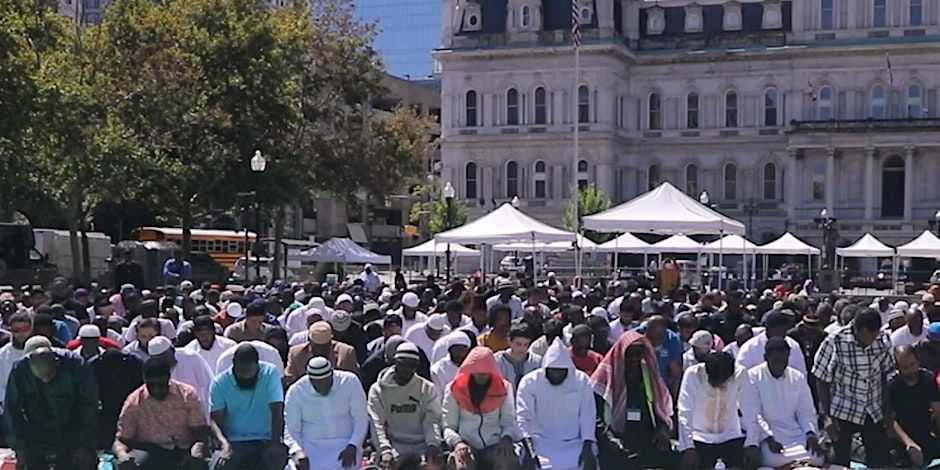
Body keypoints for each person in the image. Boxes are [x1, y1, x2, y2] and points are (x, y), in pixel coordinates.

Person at [812, 307, 894, 467]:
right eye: (867, 337)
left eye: (874, 336)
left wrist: (888, 410)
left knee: (879, 461)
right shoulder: (835, 341)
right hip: (843, 409)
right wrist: (826, 416)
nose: (871, 341)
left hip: (873, 409)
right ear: (857, 329)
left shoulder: (883, 340)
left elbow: (883, 376)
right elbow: (821, 379)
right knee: (839, 461)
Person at [591, 331, 677, 470]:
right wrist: (608, 438)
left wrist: (663, 428)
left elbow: (662, 406)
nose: (634, 359)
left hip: (646, 439)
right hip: (617, 442)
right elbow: (594, 414)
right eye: (630, 354)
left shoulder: (649, 374)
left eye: (638, 354)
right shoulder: (604, 376)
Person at [4, 344, 98, 470]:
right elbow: (11, 411)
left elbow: (89, 407)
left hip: (72, 430)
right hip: (36, 432)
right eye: (40, 378)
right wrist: (19, 447)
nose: (46, 381)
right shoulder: (20, 370)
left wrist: (84, 445)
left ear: (57, 363)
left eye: (50, 375)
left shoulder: (77, 366)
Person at [740, 338, 823, 469]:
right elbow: (753, 414)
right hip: (770, 434)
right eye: (776, 361)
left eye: (784, 360)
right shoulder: (752, 376)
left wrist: (810, 434)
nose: (780, 365)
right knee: (774, 460)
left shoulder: (797, 377)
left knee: (817, 458)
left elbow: (805, 411)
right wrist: (768, 437)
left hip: (796, 433)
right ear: (766, 357)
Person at [113, 359, 213, 470]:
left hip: (183, 449)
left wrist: (198, 447)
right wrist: (122, 454)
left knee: (198, 463)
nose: (156, 389)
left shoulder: (187, 395)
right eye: (151, 385)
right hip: (150, 451)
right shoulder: (134, 401)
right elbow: (122, 440)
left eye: (160, 384)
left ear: (168, 379)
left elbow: (200, 433)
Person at [516, 339, 596, 470]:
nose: (556, 374)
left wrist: (588, 446)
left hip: (575, 443)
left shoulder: (581, 381)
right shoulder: (530, 382)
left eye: (560, 371)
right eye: (553, 370)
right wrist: (529, 450)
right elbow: (523, 417)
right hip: (539, 443)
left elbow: (588, 415)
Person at [208, 344, 288, 470]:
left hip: (265, 439)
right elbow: (215, 420)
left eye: (249, 372)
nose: (245, 376)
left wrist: (274, 443)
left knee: (277, 458)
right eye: (241, 372)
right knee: (219, 464)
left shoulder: (270, 373)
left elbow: (277, 410)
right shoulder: (219, 383)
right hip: (234, 442)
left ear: (257, 365)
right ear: (234, 364)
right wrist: (224, 444)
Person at [367, 342, 443, 469]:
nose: (406, 369)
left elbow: (432, 420)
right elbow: (376, 423)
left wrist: (432, 444)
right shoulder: (378, 389)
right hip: (394, 445)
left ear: (417, 366)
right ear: (395, 362)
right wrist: (385, 450)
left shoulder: (427, 388)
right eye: (403, 364)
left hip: (422, 444)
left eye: (411, 365)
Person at [442, 346, 519, 470]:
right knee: (461, 466)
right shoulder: (453, 389)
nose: (482, 374)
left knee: (509, 462)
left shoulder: (504, 388)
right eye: (478, 370)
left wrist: (506, 438)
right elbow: (448, 426)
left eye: (486, 370)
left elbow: (509, 422)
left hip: (495, 444)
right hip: (466, 444)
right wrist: (457, 443)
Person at [284, 357, 369, 470]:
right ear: (310, 379)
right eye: (317, 383)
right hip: (310, 447)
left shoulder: (350, 381)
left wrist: (354, 444)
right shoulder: (296, 391)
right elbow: (291, 428)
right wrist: (297, 451)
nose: (323, 387)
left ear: (332, 374)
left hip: (346, 446)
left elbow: (361, 418)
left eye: (326, 381)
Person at [677, 352, 746, 470]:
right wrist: (688, 447)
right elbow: (684, 412)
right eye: (715, 379)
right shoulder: (694, 374)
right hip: (699, 437)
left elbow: (750, 408)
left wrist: (752, 443)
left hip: (731, 436)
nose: (719, 383)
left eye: (723, 380)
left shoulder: (740, 374)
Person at [889, 345, 940, 467]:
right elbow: (890, 420)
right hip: (901, 440)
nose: (910, 370)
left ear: (918, 361)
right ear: (898, 368)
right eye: (905, 367)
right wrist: (908, 443)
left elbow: (938, 412)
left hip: (924, 434)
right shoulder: (891, 385)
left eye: (913, 365)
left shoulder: (927, 379)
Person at [92, 349, 144, 451]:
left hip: (131, 405)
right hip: (105, 409)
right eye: (110, 372)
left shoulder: (135, 364)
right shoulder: (93, 366)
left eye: (116, 372)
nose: (113, 376)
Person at [148, 336, 214, 414]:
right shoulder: (153, 371)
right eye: (157, 359)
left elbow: (209, 385)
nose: (162, 361)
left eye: (164, 356)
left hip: (199, 411)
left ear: (172, 350)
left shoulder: (191, 357)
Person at [285, 321, 359, 386]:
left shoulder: (346, 352)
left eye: (324, 346)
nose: (320, 350)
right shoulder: (296, 353)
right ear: (309, 340)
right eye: (317, 346)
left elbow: (353, 382)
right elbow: (290, 379)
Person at [736, 310, 807, 375]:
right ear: (767, 327)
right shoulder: (750, 347)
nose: (780, 331)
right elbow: (740, 372)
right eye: (777, 328)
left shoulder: (794, 346)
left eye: (783, 328)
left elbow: (802, 373)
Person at [640, 315, 684, 398]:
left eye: (658, 340)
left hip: (663, 386)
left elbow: (676, 373)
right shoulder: (635, 336)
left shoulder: (672, 340)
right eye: (652, 339)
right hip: (641, 383)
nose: (655, 343)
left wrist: (674, 399)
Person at [493, 324, 541, 392]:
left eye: (526, 344)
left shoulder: (537, 362)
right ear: (509, 341)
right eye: (518, 344)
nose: (522, 348)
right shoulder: (497, 360)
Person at [0, 312, 32, 410]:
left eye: (25, 329)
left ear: (31, 329)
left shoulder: (40, 350)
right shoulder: (2, 355)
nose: (21, 333)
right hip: (10, 408)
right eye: (17, 330)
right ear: (11, 331)